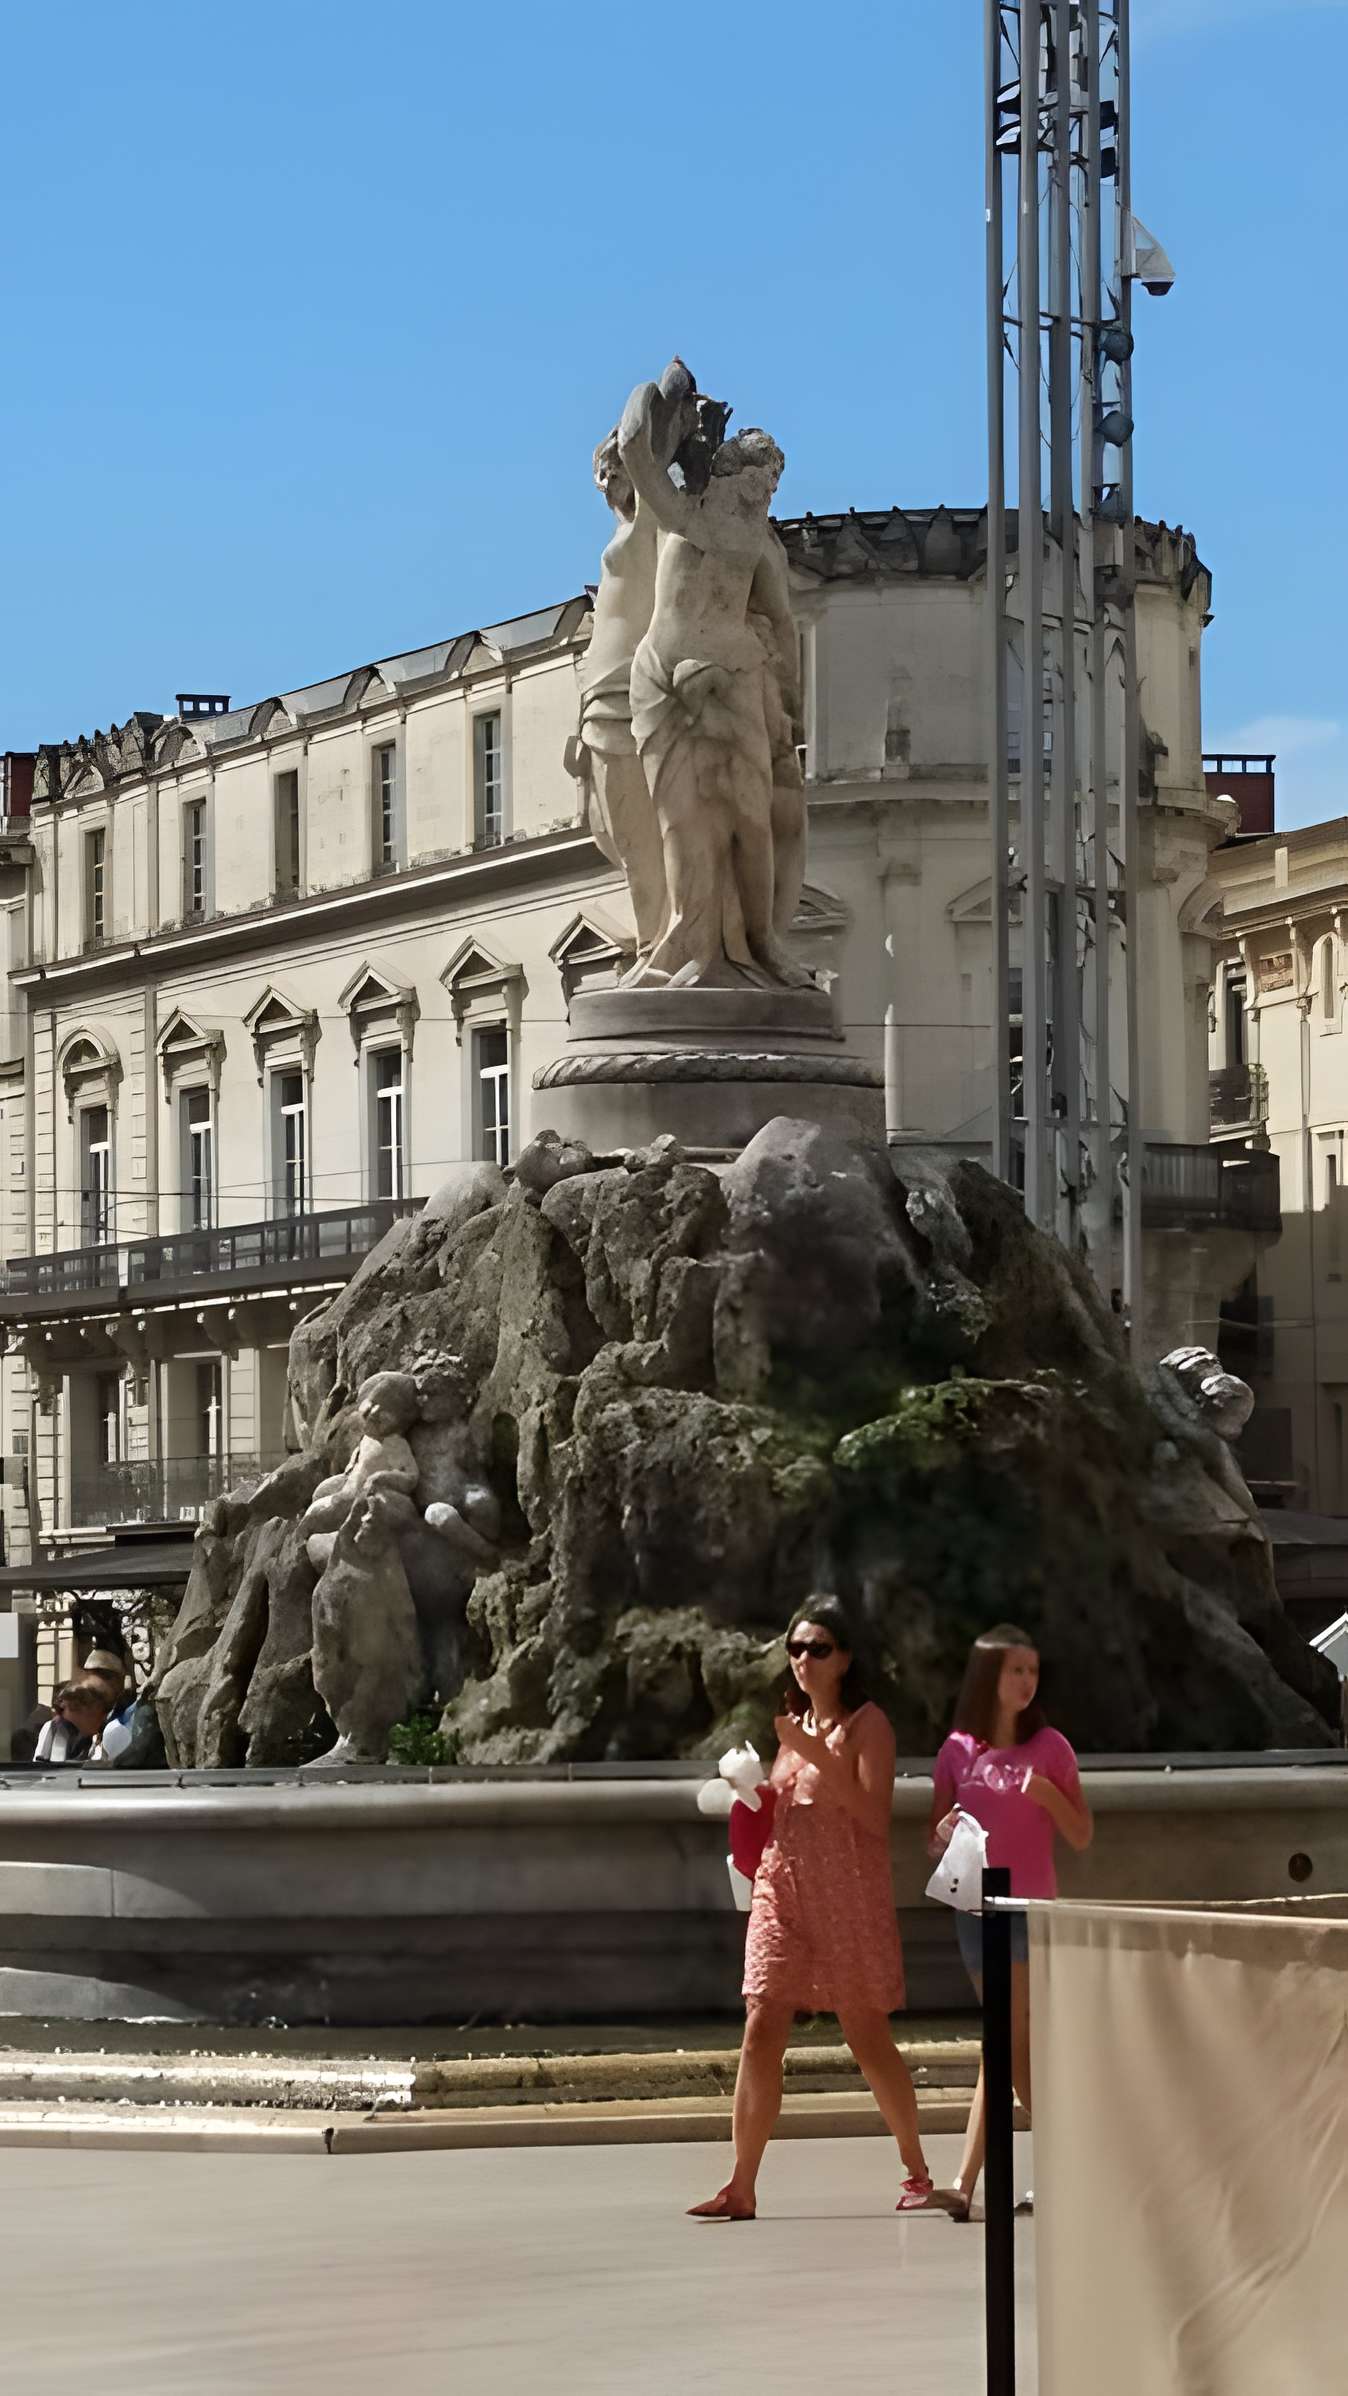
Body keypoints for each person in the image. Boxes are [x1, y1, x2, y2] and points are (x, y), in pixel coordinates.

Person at [690, 1596, 952, 2221]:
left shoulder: (868, 1726)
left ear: (845, 1659)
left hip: (847, 1899)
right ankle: (741, 2183)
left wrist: (810, 1754)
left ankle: (916, 2170)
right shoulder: (790, 1725)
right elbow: (783, 1808)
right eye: (796, 1648)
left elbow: (871, 1814)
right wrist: (751, 1789)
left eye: (819, 1649)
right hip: (783, 1891)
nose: (804, 1660)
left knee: (866, 2035)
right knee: (761, 2022)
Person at [929, 1623, 1093, 2220]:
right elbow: (932, 1839)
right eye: (1014, 1670)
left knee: (1001, 2042)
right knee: (1009, 2048)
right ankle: (1063, 2167)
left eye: (1032, 1670)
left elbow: (1081, 1834)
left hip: (1028, 1911)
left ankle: (965, 2182)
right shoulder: (956, 1751)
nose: (1026, 1681)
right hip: (974, 1910)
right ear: (988, 1676)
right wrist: (943, 1831)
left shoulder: (1051, 1746)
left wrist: (1049, 1797)